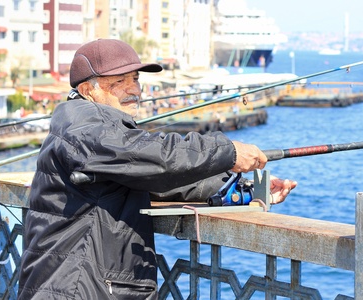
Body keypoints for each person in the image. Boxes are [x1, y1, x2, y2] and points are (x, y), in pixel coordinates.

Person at [17, 39, 297, 300]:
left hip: (75, 282)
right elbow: (160, 157)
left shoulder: (88, 128)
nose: (134, 89)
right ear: (89, 90)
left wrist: (243, 191)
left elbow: (157, 177)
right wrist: (229, 151)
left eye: (136, 79)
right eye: (120, 82)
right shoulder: (87, 127)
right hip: (76, 286)